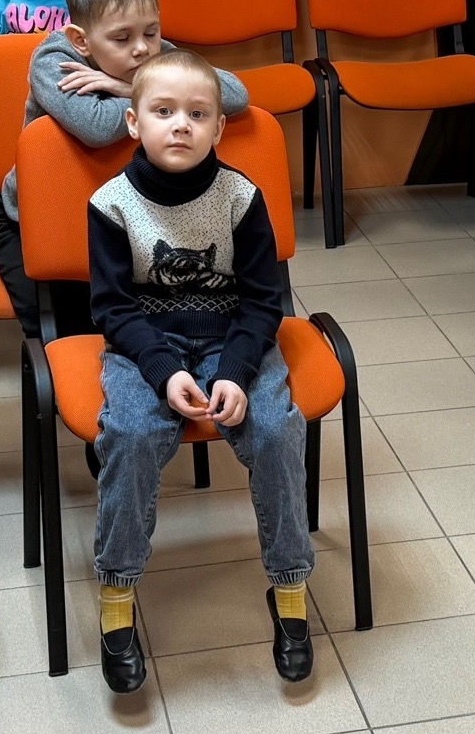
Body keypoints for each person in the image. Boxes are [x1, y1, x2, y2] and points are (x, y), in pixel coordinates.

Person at [87, 48, 312, 694]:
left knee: (276, 430)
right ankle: (118, 597)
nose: (180, 125)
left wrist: (236, 372)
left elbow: (265, 300)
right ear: (134, 123)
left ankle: (290, 590)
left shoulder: (241, 197)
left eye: (197, 114)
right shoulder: (110, 203)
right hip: (145, 345)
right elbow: (112, 308)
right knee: (131, 435)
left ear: (218, 127)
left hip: (233, 339)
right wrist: (162, 372)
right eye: (163, 112)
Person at [0, 0, 248, 332]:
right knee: (63, 330)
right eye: (122, 39)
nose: (142, 49)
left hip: (126, 217)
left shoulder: (152, 53)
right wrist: (156, 94)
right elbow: (95, 127)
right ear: (81, 40)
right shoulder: (53, 59)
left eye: (151, 32)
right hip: (36, 217)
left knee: (143, 324)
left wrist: (128, 87)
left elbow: (235, 93)